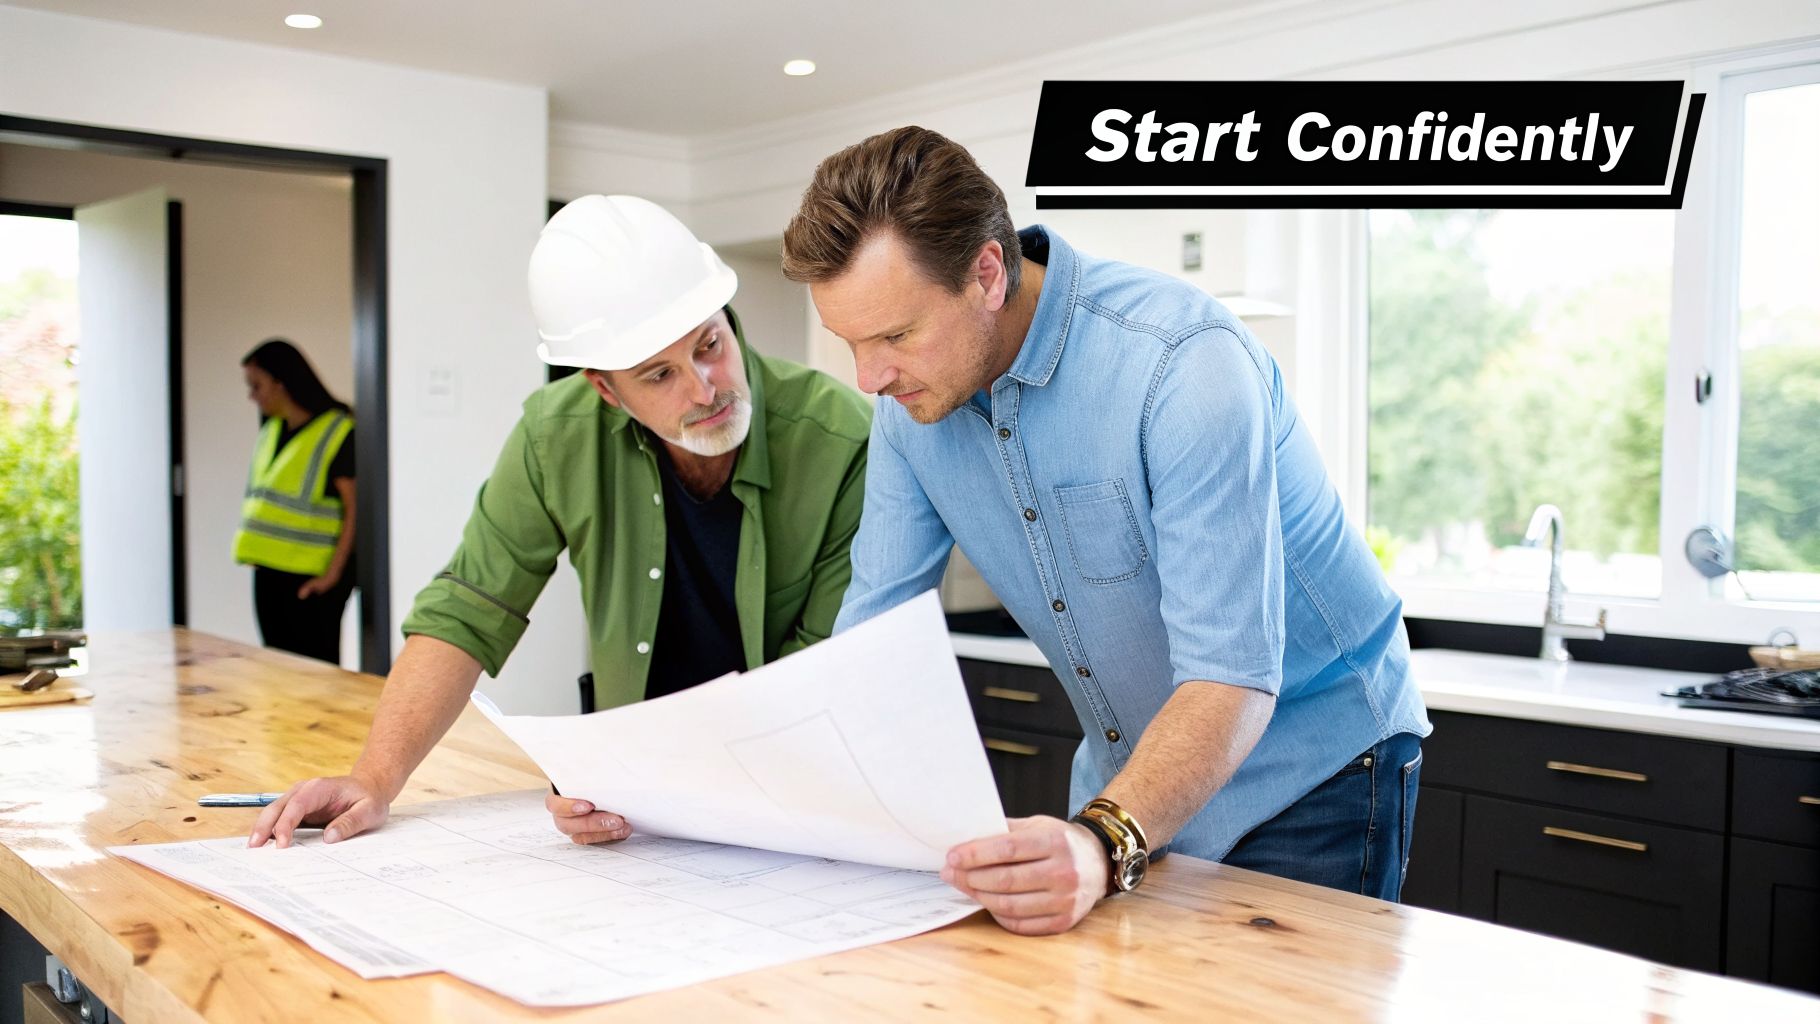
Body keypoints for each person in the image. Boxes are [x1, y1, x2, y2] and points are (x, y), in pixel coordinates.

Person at [781, 127, 1431, 936]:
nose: (868, 378)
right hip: (1131, 781)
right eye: (852, 342)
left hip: (1310, 768)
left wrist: (1101, 841)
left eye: (894, 336)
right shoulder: (911, 412)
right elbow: (868, 644)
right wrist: (692, 794)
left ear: (987, 272)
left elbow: (1229, 675)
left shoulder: (1183, 366)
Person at [250, 195, 871, 850]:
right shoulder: (557, 434)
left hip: (800, 801)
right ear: (604, 389)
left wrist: (646, 778)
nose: (704, 388)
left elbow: (822, 678)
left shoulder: (840, 440)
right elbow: (466, 610)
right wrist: (374, 778)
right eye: (658, 375)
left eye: (710, 345)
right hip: (644, 820)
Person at [235, 339, 357, 664]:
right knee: (278, 674)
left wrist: (333, 577)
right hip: (269, 576)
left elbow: (354, 512)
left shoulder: (337, 430)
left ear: (281, 382)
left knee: (316, 679)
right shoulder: (271, 429)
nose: (252, 396)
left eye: (256, 385)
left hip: (310, 582)